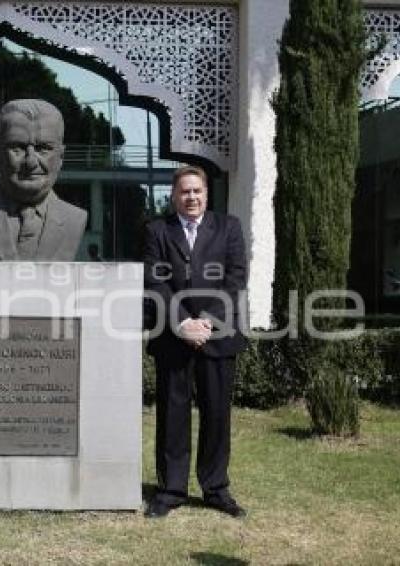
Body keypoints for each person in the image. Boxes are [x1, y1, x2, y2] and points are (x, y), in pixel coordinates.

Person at [143, 164, 248, 519]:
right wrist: (182, 323)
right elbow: (154, 281)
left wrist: (208, 321)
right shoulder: (158, 230)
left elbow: (235, 278)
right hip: (174, 339)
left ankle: (216, 489)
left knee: (217, 415)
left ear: (206, 194)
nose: (191, 197)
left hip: (218, 337)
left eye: (197, 191)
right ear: (174, 196)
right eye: (184, 191)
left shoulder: (228, 227)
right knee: (172, 415)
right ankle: (171, 490)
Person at [0, 99, 87, 261]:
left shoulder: (75, 219)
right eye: (18, 147)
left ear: (61, 157)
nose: (31, 162)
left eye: (43, 148)